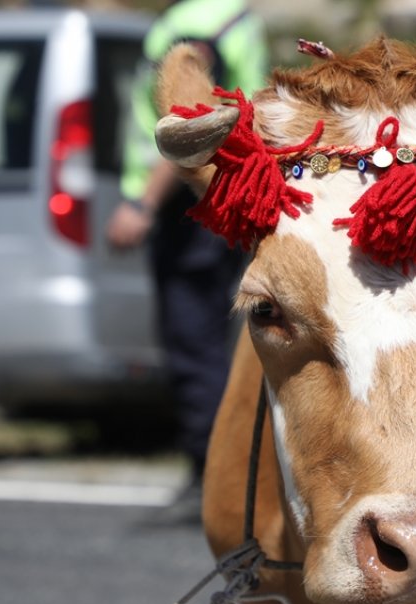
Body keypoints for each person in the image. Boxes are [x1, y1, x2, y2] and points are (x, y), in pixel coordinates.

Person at [106, 0, 268, 525]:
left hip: (189, 200)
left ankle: (212, 479)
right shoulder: (228, 16)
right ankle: (227, 474)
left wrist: (141, 204)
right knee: (214, 343)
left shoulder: (198, 24)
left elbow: (188, 118)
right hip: (214, 195)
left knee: (194, 345)